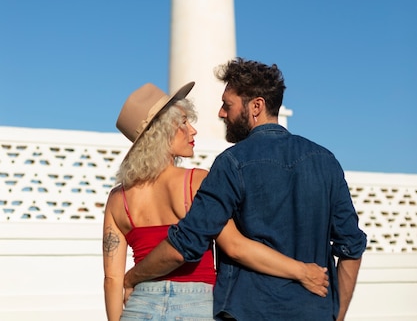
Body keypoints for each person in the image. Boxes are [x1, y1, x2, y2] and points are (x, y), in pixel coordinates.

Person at [123, 59, 367, 321]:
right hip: (313, 312)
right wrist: (336, 314)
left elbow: (186, 244)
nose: (221, 113)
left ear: (256, 106)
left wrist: (133, 277)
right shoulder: (325, 161)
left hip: (248, 311)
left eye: (228, 105)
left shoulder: (231, 163)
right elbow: (351, 246)